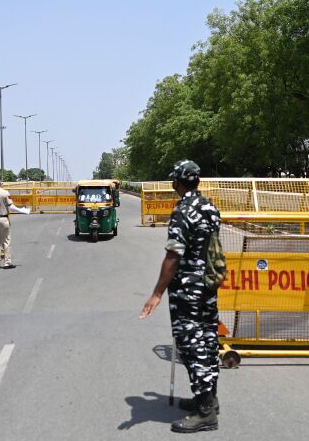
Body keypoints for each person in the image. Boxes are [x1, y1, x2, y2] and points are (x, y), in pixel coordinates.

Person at [138, 160, 222, 433]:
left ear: (178, 182)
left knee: (192, 346)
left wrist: (156, 293)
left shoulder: (183, 212)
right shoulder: (209, 206)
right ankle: (209, 399)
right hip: (208, 285)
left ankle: (206, 412)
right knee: (208, 339)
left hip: (188, 289)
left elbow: (174, 255)